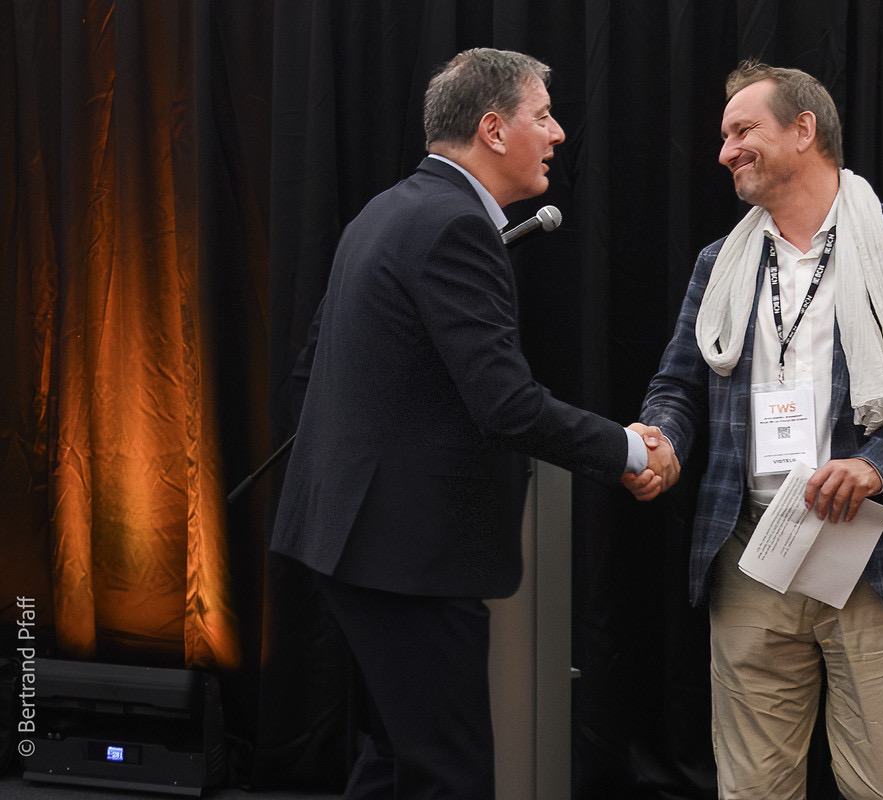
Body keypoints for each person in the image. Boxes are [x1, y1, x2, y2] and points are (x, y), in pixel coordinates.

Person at [271, 48, 678, 800]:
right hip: (407, 560)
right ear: (493, 129)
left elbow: (308, 374)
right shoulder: (454, 225)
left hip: (356, 547)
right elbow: (507, 405)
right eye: (543, 116)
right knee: (448, 777)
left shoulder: (387, 209)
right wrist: (628, 449)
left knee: (396, 763)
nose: (558, 134)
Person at [623, 62, 883, 800]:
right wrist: (662, 439)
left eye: (742, 131)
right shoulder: (720, 263)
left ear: (804, 129)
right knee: (753, 789)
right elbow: (679, 387)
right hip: (752, 552)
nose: (725, 151)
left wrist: (878, 465)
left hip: (873, 556)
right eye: (725, 136)